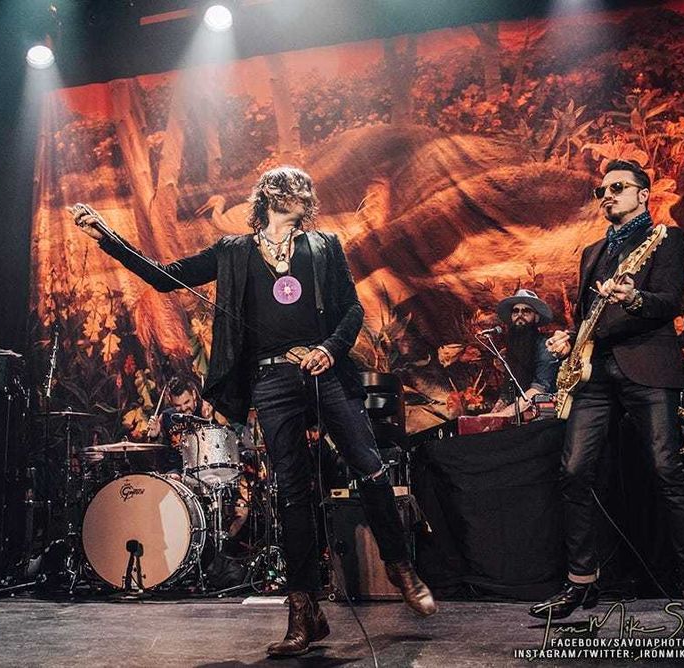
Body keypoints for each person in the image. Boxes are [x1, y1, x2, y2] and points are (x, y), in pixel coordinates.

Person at [73, 166, 435, 657]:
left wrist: (329, 349)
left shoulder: (323, 246)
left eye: (306, 188)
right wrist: (107, 238)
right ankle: (304, 611)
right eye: (293, 186)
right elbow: (165, 277)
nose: (303, 192)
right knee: (293, 493)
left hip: (325, 370)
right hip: (272, 380)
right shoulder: (234, 251)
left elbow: (352, 310)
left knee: (369, 466)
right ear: (270, 195)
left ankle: (399, 564)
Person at [532, 160, 684, 629]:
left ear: (643, 194)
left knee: (667, 472)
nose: (607, 195)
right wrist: (570, 337)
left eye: (617, 187)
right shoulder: (593, 251)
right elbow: (587, 316)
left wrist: (633, 298)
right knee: (573, 470)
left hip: (647, 365)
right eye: (602, 190)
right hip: (595, 373)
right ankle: (582, 580)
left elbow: (668, 301)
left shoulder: (665, 238)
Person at [486, 289, 558, 419]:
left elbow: (540, 388)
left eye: (526, 311)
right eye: (515, 311)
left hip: (546, 412)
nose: (520, 315)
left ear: (536, 317)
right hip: (521, 413)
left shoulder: (546, 346)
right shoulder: (512, 348)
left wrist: (505, 413)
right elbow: (508, 389)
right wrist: (491, 416)